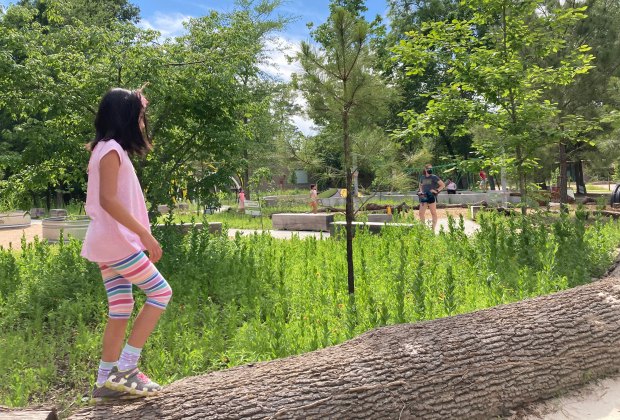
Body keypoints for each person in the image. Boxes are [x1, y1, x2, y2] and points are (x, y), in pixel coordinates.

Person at [81, 87, 172, 402]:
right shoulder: (110, 151)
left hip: (109, 242)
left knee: (121, 309)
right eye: (141, 116)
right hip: (118, 242)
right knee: (161, 292)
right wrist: (145, 235)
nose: (143, 122)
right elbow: (107, 200)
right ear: (127, 118)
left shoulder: (106, 149)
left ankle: (105, 381)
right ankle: (128, 368)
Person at [418, 164, 445, 230]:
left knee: (433, 213)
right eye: (429, 169)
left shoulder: (434, 177)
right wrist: (421, 191)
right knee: (421, 213)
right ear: (425, 169)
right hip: (424, 197)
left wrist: (436, 190)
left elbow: (443, 185)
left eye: (431, 169)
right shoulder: (422, 177)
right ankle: (423, 229)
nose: (430, 170)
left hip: (431, 196)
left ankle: (432, 229)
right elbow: (420, 185)